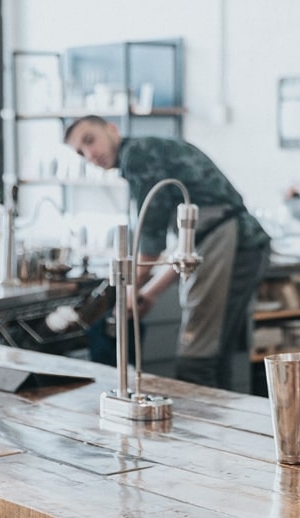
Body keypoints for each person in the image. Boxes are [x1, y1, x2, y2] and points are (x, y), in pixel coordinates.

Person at [65, 115, 271, 391]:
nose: (89, 154)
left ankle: (204, 431)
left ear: (112, 130)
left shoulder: (138, 156)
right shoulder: (148, 151)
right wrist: (149, 292)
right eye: (81, 152)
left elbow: (151, 243)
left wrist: (129, 292)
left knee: (196, 359)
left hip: (231, 241)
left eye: (90, 140)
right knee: (213, 355)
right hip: (236, 243)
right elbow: (187, 249)